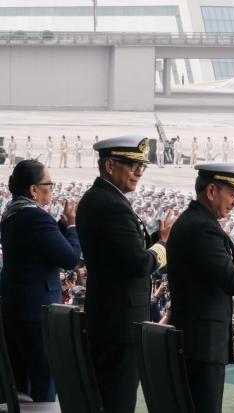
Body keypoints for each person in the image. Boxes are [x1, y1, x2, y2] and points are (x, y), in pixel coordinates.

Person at [76, 135, 172, 413]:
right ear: (109, 166)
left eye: (142, 166)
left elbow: (122, 250)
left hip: (109, 317)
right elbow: (140, 264)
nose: (139, 171)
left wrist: (156, 238)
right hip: (119, 324)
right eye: (131, 165)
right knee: (117, 401)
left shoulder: (101, 198)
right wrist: (163, 245)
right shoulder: (112, 205)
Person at [167, 161, 234, 413]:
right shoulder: (202, 227)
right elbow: (232, 281)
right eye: (232, 194)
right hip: (202, 344)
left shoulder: (197, 221)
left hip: (198, 340)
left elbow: (216, 267)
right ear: (211, 191)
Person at [0, 160, 81, 402]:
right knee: (44, 381)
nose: (52, 190)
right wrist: (73, 227)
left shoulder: (12, 213)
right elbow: (70, 258)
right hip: (37, 313)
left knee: (18, 381)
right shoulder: (36, 217)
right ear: (33, 190)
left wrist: (61, 226)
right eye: (50, 185)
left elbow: (41, 243)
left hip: (15, 308)